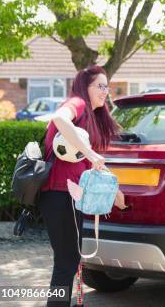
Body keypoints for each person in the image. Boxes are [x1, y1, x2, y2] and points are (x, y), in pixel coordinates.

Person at [38, 65, 119, 306]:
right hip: (59, 195)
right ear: (85, 87)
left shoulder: (93, 117)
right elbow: (60, 118)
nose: (105, 91)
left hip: (73, 197)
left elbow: (87, 165)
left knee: (70, 261)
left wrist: (116, 191)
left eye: (107, 86)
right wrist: (91, 154)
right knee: (66, 262)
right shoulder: (78, 102)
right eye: (100, 86)